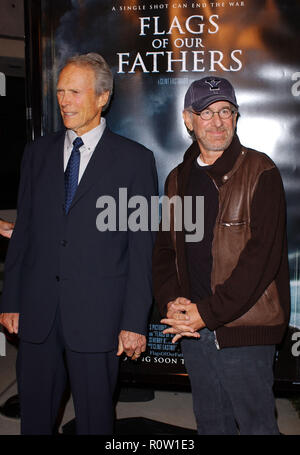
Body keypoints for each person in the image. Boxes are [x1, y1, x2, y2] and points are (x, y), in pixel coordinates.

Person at [0, 52, 157, 435]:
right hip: (38, 314)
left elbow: (142, 249)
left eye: (74, 91)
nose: (64, 101)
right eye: (59, 92)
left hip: (98, 318)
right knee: (35, 418)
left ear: (103, 97)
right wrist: (12, 301)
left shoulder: (136, 161)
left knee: (95, 420)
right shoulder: (37, 153)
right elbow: (26, 234)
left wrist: (134, 322)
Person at [152, 76, 290, 435]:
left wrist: (207, 313)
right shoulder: (177, 180)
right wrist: (173, 303)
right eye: (206, 112)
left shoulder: (261, 172)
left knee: (257, 427)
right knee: (212, 425)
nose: (217, 121)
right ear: (188, 119)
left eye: (225, 111)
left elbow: (262, 260)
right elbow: (165, 250)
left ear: (236, 116)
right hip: (194, 331)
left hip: (246, 329)